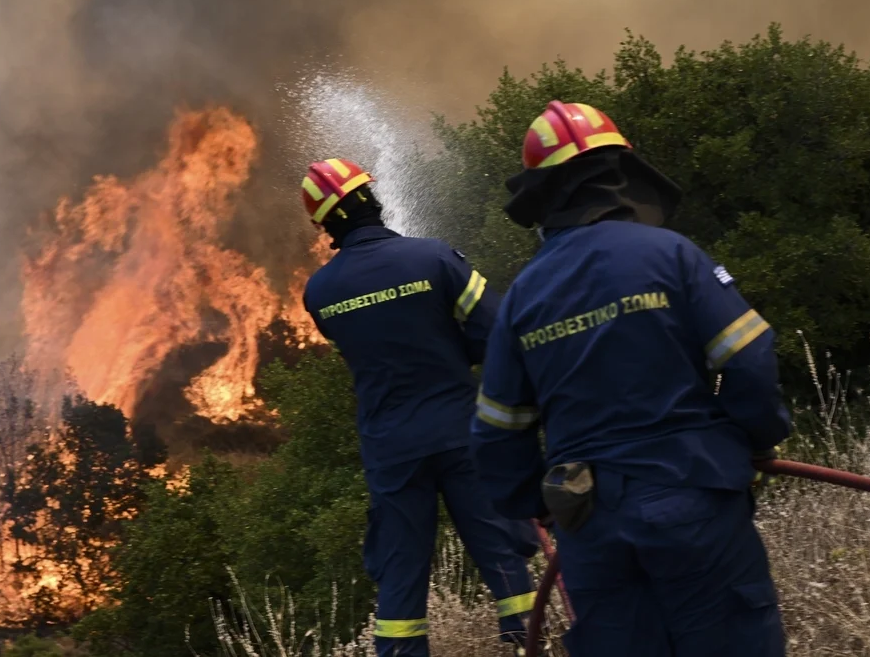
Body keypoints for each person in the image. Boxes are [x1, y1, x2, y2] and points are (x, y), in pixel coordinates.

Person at [469, 100, 792, 656]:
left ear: (543, 194)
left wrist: (542, 506)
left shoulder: (524, 295)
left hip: (592, 527)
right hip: (695, 498)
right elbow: (749, 359)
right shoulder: (672, 254)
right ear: (621, 173)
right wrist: (753, 444)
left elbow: (497, 430)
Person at [299, 158, 540, 656]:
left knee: (400, 576)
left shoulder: (320, 292)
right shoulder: (433, 259)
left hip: (391, 449)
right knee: (503, 558)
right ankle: (531, 646)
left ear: (325, 223)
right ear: (372, 199)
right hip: (460, 432)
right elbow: (495, 334)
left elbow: (368, 352)